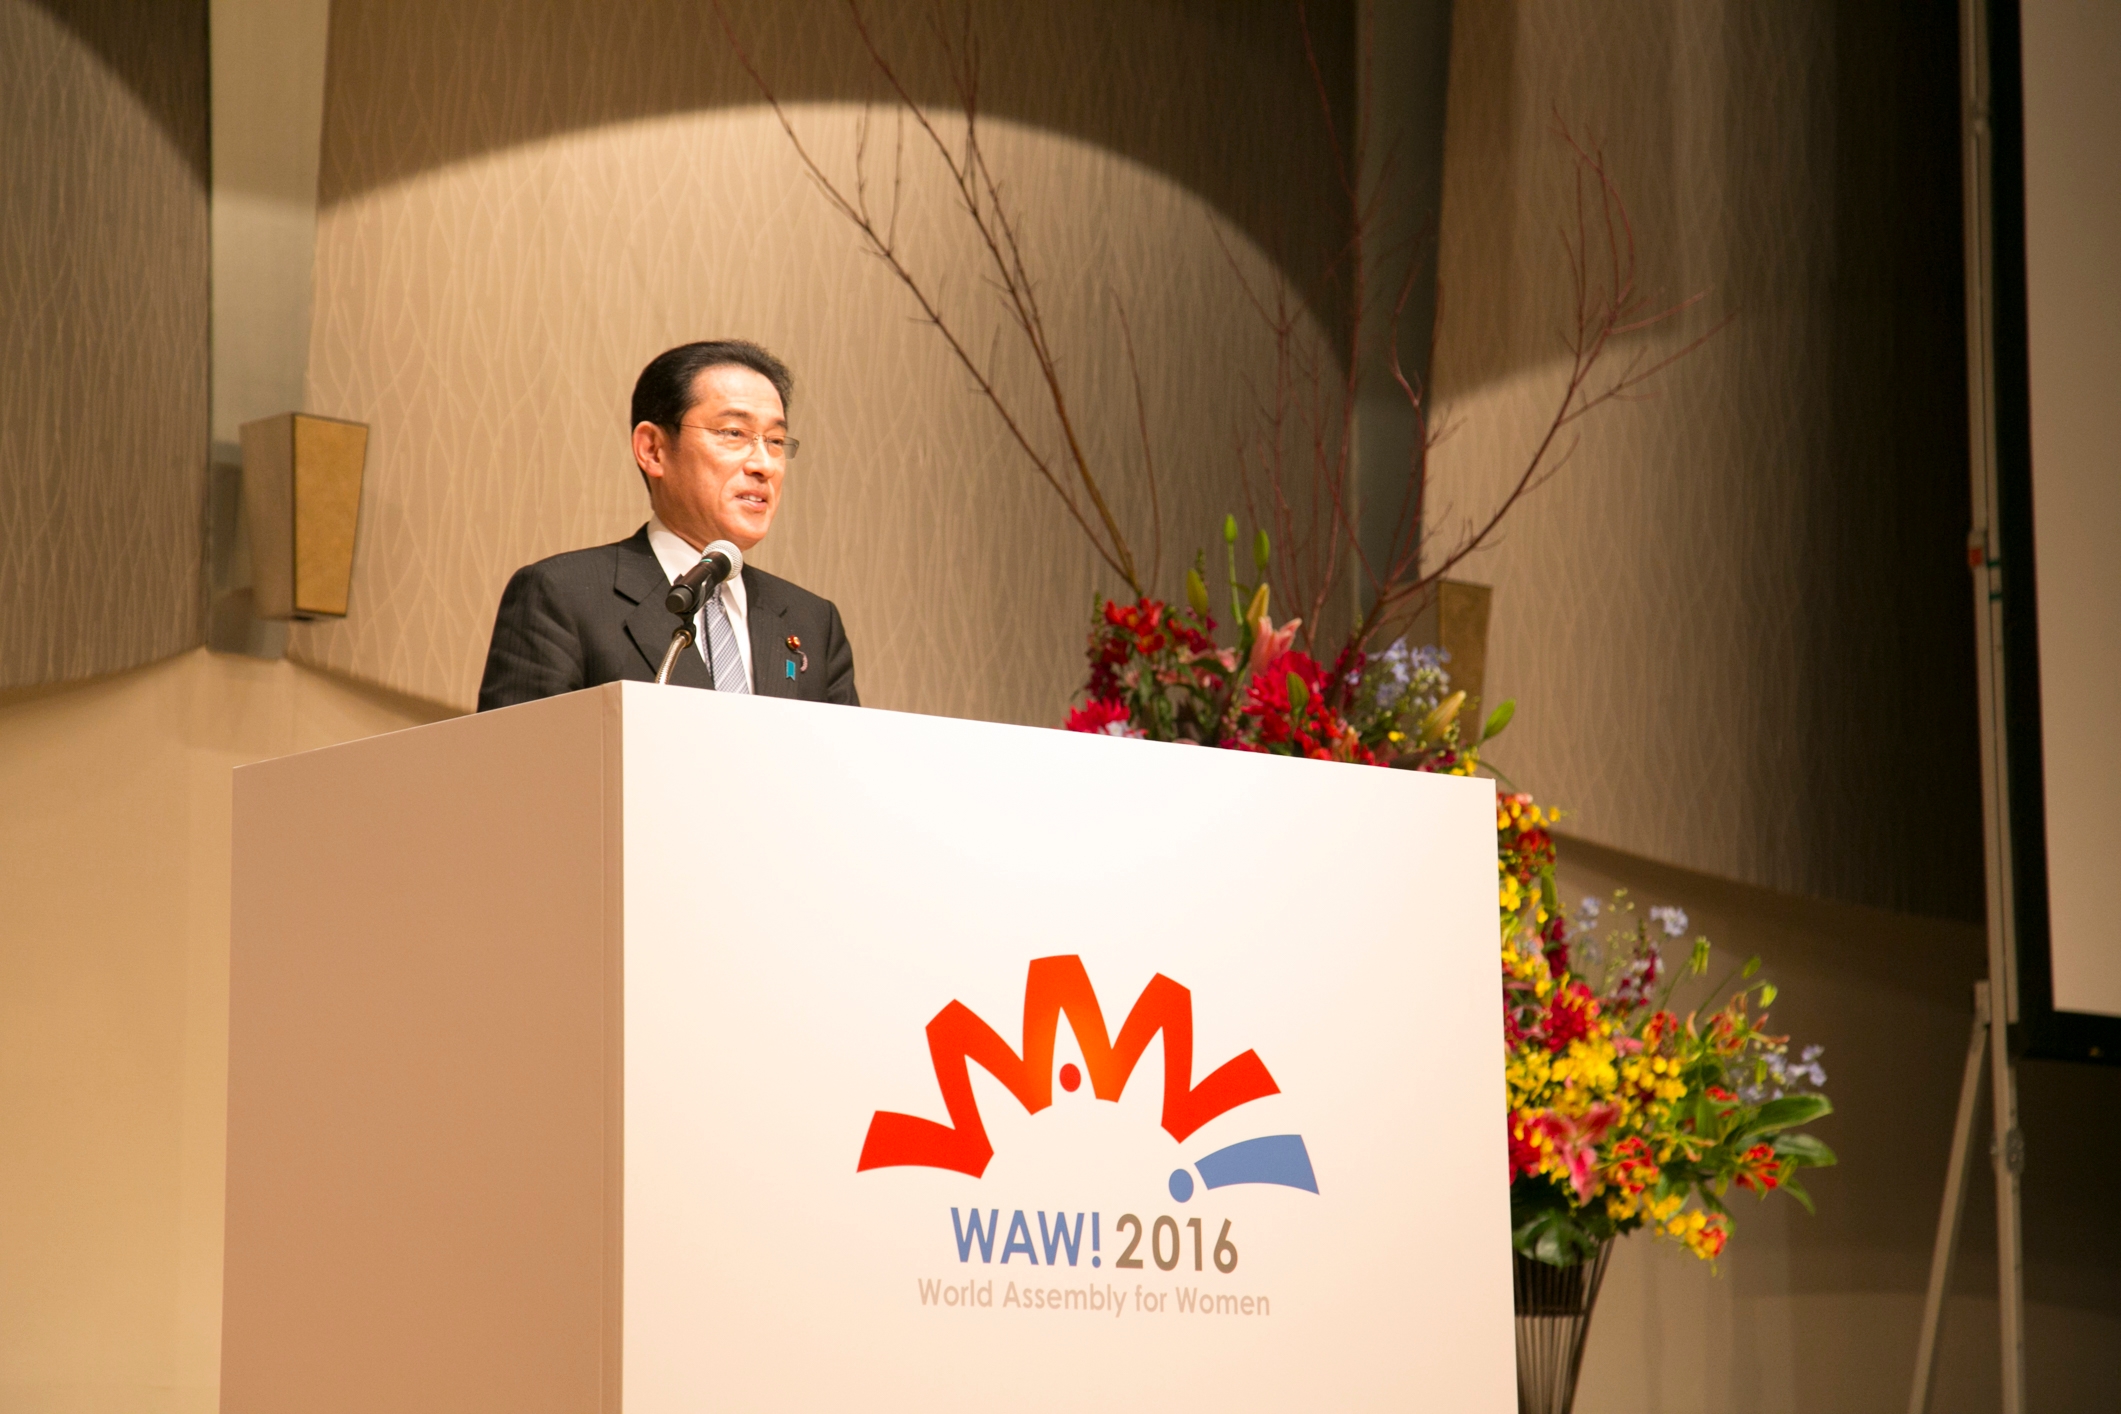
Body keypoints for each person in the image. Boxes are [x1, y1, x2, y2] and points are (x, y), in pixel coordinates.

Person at [477, 340, 858, 710]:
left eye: (775, 440)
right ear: (653, 450)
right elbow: (515, 768)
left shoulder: (813, 623)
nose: (765, 464)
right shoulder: (563, 595)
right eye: (733, 433)